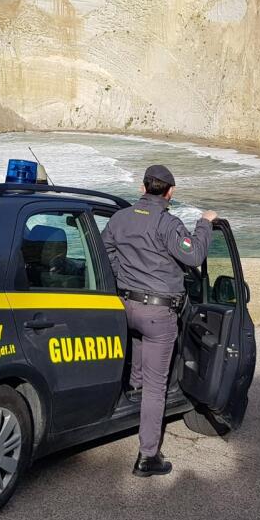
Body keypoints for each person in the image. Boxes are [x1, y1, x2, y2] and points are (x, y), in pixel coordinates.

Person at [101, 164, 217, 477]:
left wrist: (124, 277)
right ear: (170, 192)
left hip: (126, 306)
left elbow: (105, 252)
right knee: (157, 386)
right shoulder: (168, 223)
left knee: (138, 355)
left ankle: (134, 397)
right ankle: (148, 456)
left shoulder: (120, 218)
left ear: (142, 188)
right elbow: (194, 256)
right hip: (158, 314)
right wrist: (204, 224)